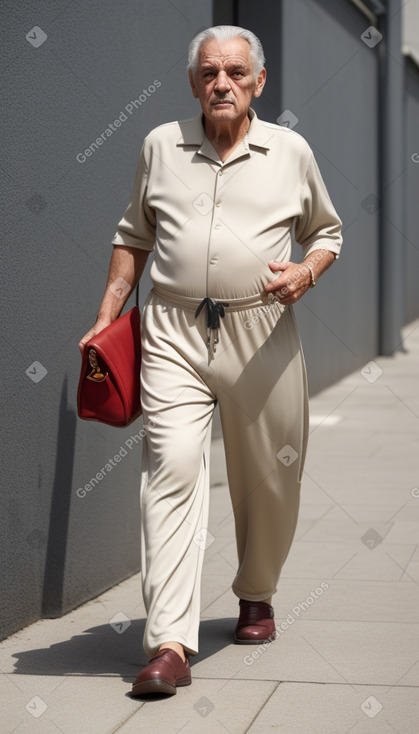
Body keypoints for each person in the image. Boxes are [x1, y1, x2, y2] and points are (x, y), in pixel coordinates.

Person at [79, 25, 342, 697]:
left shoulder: (290, 151)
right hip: (172, 331)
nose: (219, 83)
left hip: (263, 331)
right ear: (193, 82)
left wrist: (305, 274)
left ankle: (256, 592)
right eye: (207, 73)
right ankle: (170, 642)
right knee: (170, 467)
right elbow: (133, 235)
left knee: (270, 477)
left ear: (257, 82)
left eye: (233, 72)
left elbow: (326, 233)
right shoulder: (159, 147)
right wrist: (107, 319)